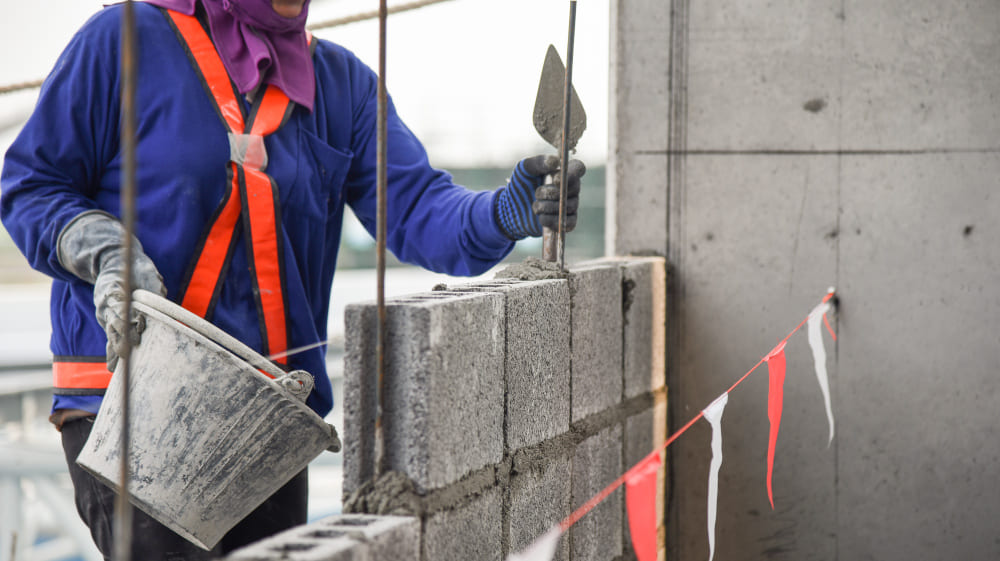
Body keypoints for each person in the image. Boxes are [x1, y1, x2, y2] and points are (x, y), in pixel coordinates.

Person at [0, 0, 585, 559]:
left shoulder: (342, 86)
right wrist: (106, 252)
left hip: (266, 421)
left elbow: (420, 210)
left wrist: (507, 212)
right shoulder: (123, 41)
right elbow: (30, 183)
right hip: (127, 398)